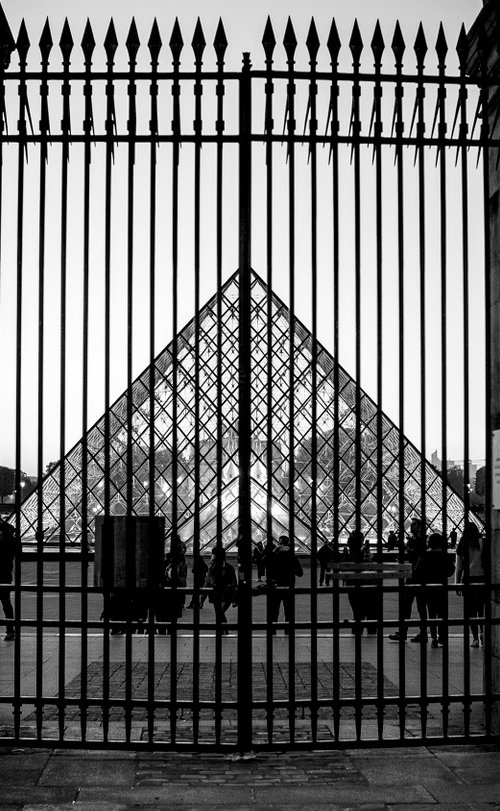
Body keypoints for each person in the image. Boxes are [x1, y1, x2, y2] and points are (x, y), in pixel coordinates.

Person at [388, 517, 427, 643]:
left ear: (420, 527)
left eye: (414, 524)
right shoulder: (414, 541)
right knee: (410, 606)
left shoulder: (422, 541)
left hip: (418, 576)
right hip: (413, 576)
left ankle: (415, 633)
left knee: (417, 606)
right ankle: (410, 633)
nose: (411, 526)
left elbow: (416, 555)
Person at [414, 532, 455, 648]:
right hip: (441, 588)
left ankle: (433, 638)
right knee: (442, 613)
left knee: (431, 614)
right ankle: (442, 637)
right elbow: (451, 570)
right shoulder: (444, 555)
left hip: (428, 588)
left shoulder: (425, 555)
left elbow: (417, 572)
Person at [342, 529, 381, 634]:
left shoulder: (349, 554)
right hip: (369, 588)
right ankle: (371, 634)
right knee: (371, 616)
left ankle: (358, 634)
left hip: (355, 589)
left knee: (358, 615)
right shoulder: (359, 553)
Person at [455, 521, 486, 648]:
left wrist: (457, 583)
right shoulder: (483, 542)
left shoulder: (462, 544)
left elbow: (459, 567)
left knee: (470, 612)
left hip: (468, 580)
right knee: (482, 610)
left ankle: (475, 638)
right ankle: (483, 632)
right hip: (483, 579)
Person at [267, 535, 303, 632]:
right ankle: (288, 631)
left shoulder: (274, 557)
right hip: (289, 587)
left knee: (274, 611)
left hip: (276, 587)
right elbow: (300, 573)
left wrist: (274, 552)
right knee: (289, 612)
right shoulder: (292, 558)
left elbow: (264, 563)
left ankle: (273, 631)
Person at [156, 535, 187, 634]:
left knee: (162, 624)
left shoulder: (165, 561)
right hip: (174, 598)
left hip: (163, 598)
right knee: (172, 625)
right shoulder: (181, 563)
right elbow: (182, 582)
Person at [204, 545, 237, 633]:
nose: (212, 556)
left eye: (213, 554)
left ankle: (224, 630)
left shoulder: (214, 568)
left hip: (222, 594)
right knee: (220, 613)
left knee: (220, 613)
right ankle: (224, 630)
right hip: (219, 594)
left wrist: (203, 596)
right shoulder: (227, 567)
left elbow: (208, 582)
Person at [0, 519, 19, 642]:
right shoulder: (10, 540)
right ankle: (10, 630)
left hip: (4, 575)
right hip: (5, 575)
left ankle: (10, 630)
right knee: (6, 604)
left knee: (6, 604)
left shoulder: (8, 540)